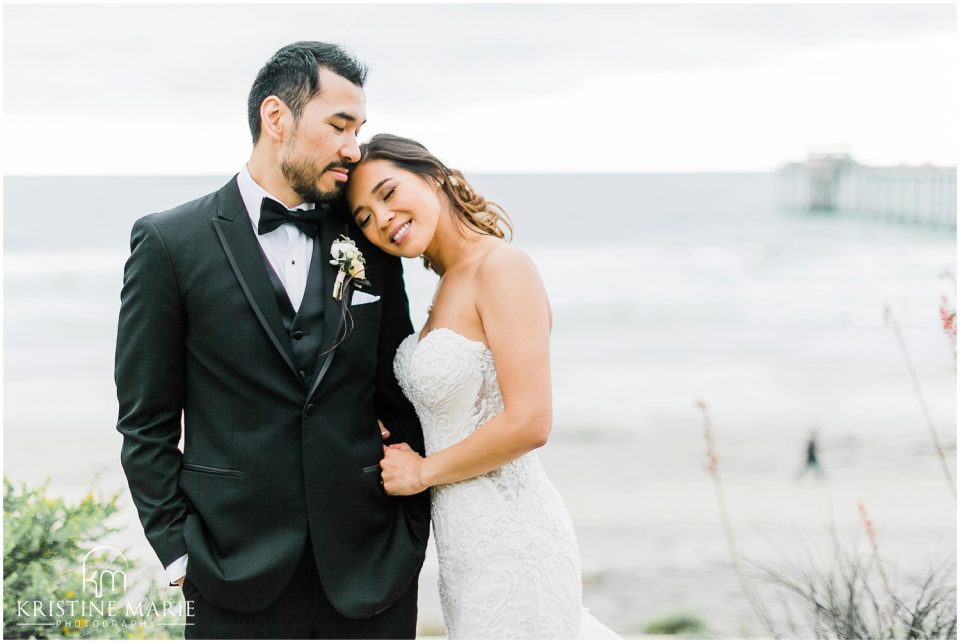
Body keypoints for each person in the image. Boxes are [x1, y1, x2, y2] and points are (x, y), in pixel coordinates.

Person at [114, 43, 430, 639]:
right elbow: (145, 421)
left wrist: (410, 524)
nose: (352, 149)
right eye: (338, 126)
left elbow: (399, 387)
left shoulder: (368, 236)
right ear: (276, 117)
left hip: (372, 570)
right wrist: (180, 553)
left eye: (358, 129)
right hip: (231, 573)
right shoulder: (169, 243)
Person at [344, 133, 621, 639]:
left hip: (515, 540)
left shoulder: (502, 267)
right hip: (466, 549)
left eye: (387, 194)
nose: (381, 220)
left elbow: (530, 422)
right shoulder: (449, 282)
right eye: (363, 217)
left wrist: (423, 472)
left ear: (435, 177)